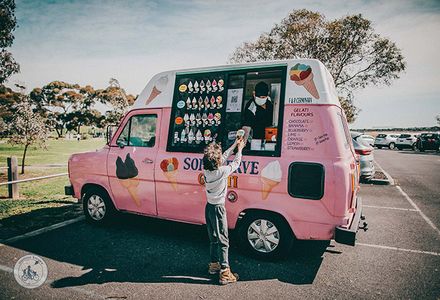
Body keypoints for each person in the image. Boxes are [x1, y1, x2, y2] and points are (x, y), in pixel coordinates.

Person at [203, 136, 245, 285]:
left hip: (208, 208)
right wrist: (239, 149)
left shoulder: (207, 170)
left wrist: (234, 144)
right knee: (224, 240)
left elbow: (223, 157)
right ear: (218, 161)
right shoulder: (223, 171)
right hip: (219, 209)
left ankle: (214, 265)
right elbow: (236, 163)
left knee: (213, 238)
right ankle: (225, 272)